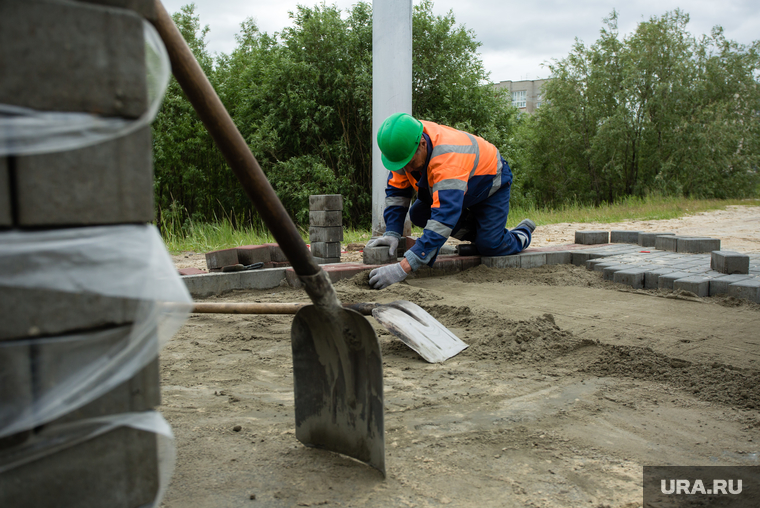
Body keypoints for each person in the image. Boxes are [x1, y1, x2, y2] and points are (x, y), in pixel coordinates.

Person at [368, 112, 536, 290]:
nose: (406, 169)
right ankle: (482, 237)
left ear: (423, 144)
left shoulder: (447, 159)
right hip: (459, 187)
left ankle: (521, 235)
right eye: (401, 165)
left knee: (491, 246)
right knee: (419, 213)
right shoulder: (405, 145)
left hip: (489, 184)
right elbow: (397, 192)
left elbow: (444, 218)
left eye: (409, 163)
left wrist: (403, 268)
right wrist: (392, 233)